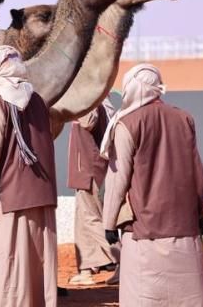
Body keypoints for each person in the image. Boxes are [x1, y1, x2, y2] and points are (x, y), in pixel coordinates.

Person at [101, 63, 203, 306]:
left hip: (143, 231)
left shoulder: (127, 124)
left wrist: (109, 222)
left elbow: (118, 179)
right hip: (184, 226)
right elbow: (197, 171)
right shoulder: (184, 118)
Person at [0, 45, 58, 307]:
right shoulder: (38, 101)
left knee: (6, 263)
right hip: (41, 195)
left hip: (9, 198)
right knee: (34, 262)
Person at [67, 98, 120, 286]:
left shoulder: (91, 103)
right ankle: (86, 269)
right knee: (83, 220)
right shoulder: (105, 105)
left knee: (91, 219)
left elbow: (89, 121)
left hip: (89, 169)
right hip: (87, 169)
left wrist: (79, 99)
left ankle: (123, 260)